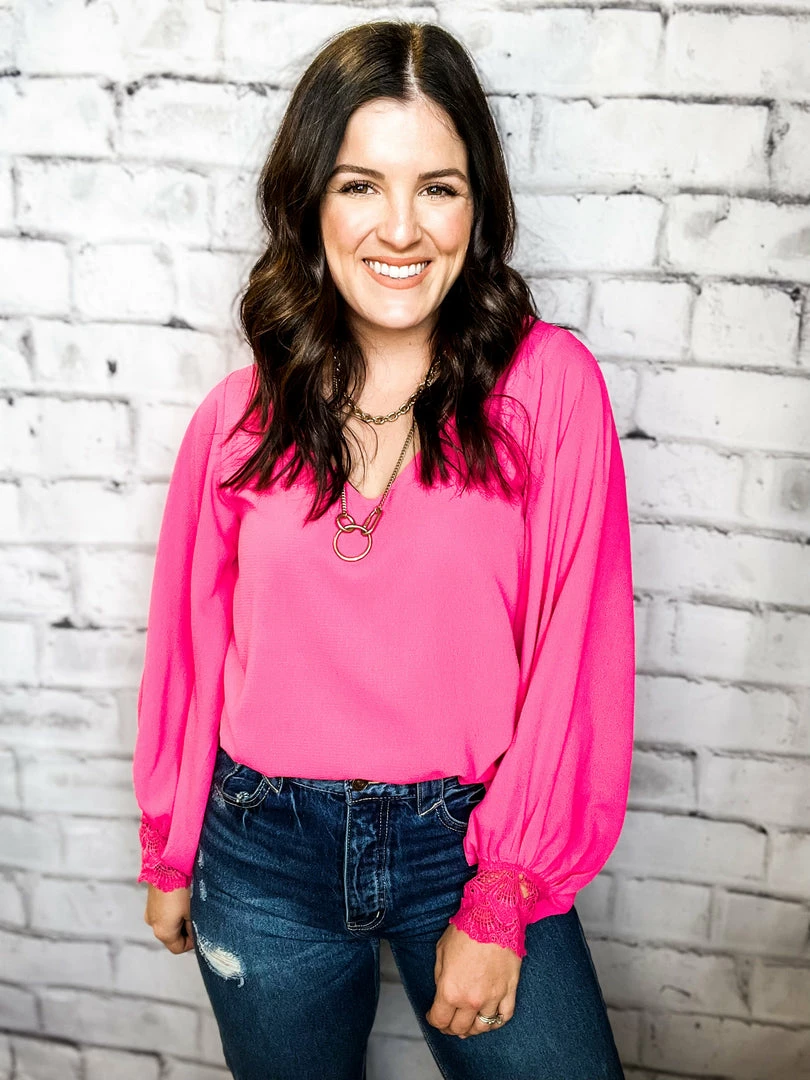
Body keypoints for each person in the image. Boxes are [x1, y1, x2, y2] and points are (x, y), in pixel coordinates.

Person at [132, 19, 635, 1080]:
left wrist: (501, 898)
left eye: (437, 187)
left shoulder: (548, 390)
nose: (401, 228)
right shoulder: (236, 420)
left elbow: (576, 660)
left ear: (477, 206)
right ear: (311, 202)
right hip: (260, 852)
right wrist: (171, 847)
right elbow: (189, 646)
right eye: (361, 184)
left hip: (470, 845)